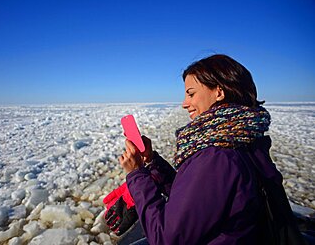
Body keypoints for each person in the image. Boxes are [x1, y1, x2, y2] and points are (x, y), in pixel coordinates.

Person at [117, 54, 304, 244]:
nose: (184, 103)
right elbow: (203, 197)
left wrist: (136, 174)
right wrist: (152, 162)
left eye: (191, 94)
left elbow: (166, 238)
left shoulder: (218, 156)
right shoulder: (243, 140)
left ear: (219, 92)